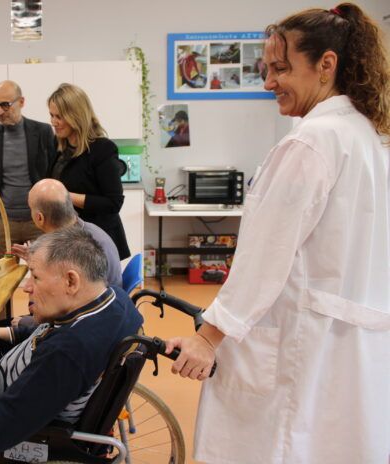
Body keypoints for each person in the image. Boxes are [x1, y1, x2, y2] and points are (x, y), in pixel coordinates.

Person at [165, 4, 390, 463]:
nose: (268, 83)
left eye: (281, 69)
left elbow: (264, 258)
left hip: (294, 338)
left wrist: (208, 338)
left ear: (327, 65)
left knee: (279, 444)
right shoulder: (364, 136)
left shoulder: (311, 141)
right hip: (339, 343)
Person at [0, 227, 143, 452]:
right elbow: (50, 331)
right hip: (10, 387)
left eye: (35, 276)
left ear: (71, 281)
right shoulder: (114, 300)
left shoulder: (67, 352)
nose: (27, 287)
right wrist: (0, 332)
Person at [0, 80, 57, 261]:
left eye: (5, 105)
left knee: (45, 276)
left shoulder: (43, 132)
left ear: (21, 102)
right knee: (2, 281)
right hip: (3, 223)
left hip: (39, 221)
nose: (0, 111)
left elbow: (55, 175)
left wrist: (50, 215)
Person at [47, 83, 130, 260]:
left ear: (75, 116)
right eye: (51, 115)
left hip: (98, 242)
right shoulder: (58, 146)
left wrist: (65, 197)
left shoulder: (102, 149)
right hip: (71, 237)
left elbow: (113, 203)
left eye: (59, 116)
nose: (53, 122)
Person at [12, 178, 122, 288]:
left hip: (101, 302)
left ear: (39, 218)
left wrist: (37, 266)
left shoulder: (80, 246)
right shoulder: (84, 231)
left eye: (31, 208)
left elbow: (64, 292)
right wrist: (36, 260)